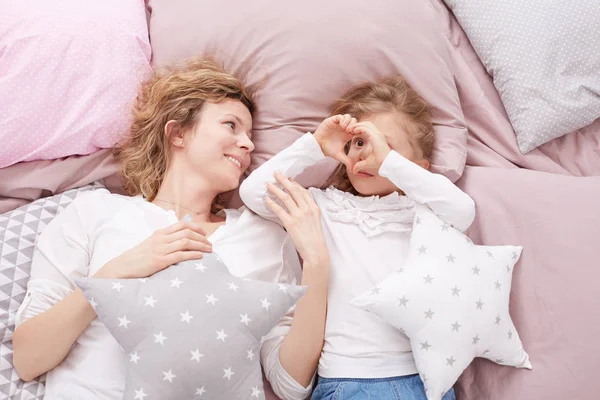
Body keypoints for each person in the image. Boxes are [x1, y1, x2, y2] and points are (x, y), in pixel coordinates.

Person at [13, 58, 329, 400]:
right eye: (231, 125)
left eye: (250, 135)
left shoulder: (265, 237)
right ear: (178, 133)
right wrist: (112, 276)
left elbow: (290, 386)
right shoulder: (93, 212)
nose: (249, 145)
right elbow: (29, 359)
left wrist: (317, 265)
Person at [239, 75, 476, 400]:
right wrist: (316, 145)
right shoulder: (324, 207)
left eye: (384, 146)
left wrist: (391, 164)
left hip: (424, 384)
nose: (367, 155)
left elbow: (464, 211)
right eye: (359, 143)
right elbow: (253, 193)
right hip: (349, 382)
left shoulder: (422, 211)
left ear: (418, 168)